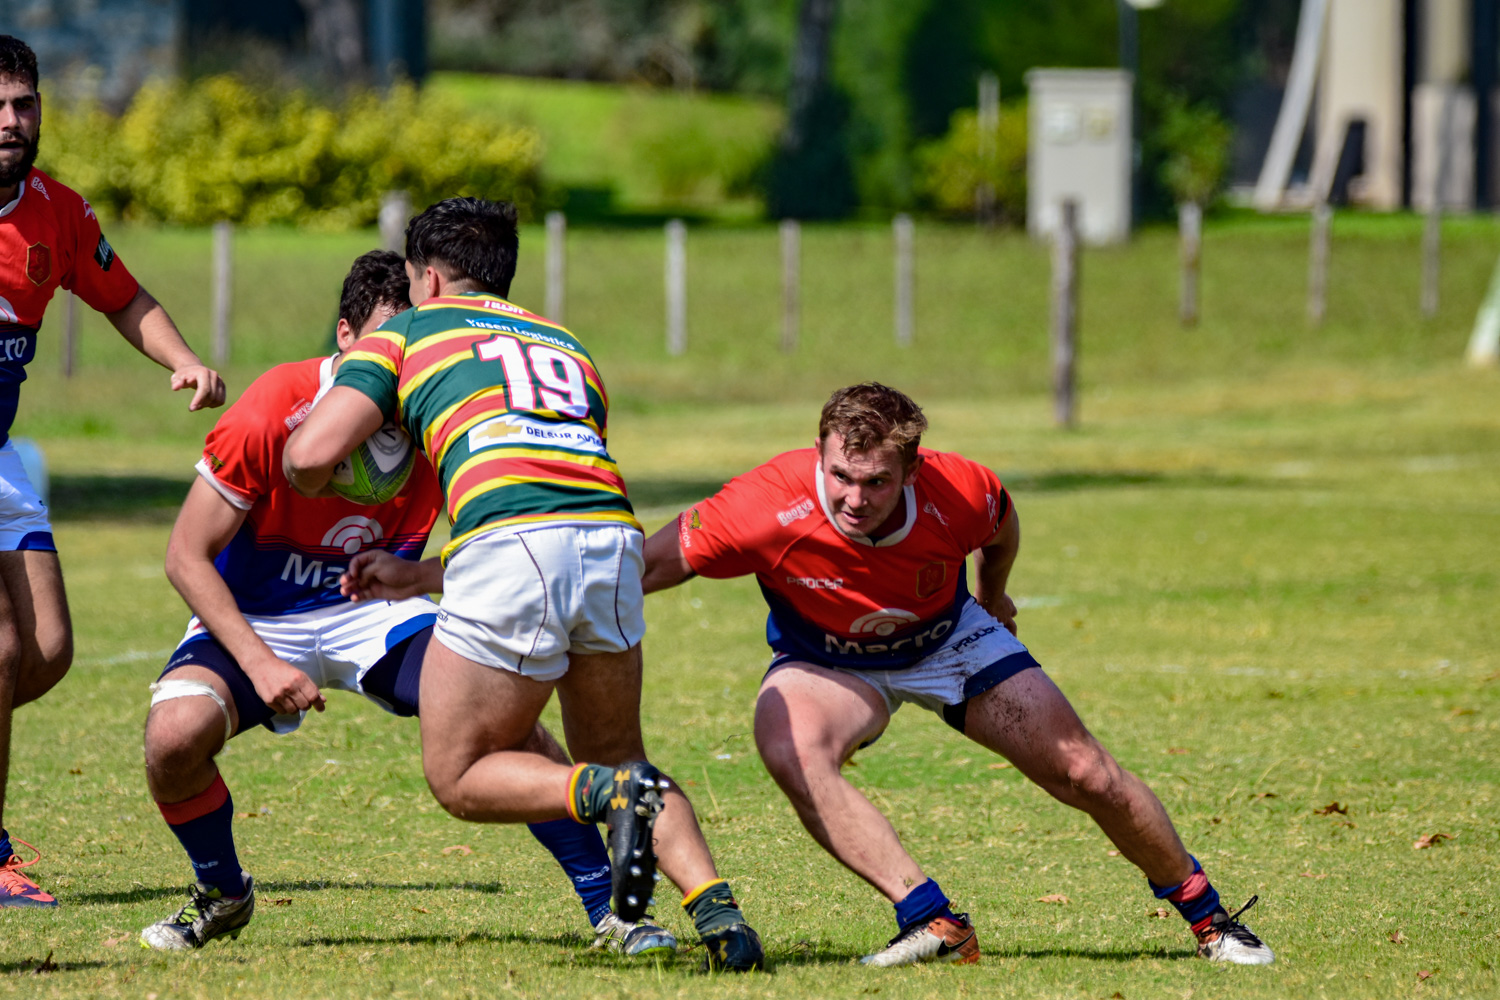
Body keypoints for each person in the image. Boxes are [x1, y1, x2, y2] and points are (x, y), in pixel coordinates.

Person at [139, 250, 674, 957]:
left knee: (501, 728)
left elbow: (499, 538)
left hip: (378, 610)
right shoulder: (275, 406)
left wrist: (415, 574)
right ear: (345, 337)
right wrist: (263, 664)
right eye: (385, 340)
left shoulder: (441, 399)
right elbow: (185, 554)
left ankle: (612, 911)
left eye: (411, 339)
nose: (399, 357)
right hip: (258, 613)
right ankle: (223, 891)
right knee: (172, 741)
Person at [636, 382, 1275, 968]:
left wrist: (995, 596)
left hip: (949, 639)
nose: (854, 499)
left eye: (877, 482)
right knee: (789, 748)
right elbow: (645, 566)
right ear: (819, 455)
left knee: (1086, 772)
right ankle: (933, 921)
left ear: (913, 470)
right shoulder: (761, 504)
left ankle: (1211, 921)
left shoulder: (960, 490)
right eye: (840, 476)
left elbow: (1001, 526)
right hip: (827, 659)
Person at [284, 197, 764, 972]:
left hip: (513, 544)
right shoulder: (569, 346)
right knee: (623, 753)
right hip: (613, 542)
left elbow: (310, 455)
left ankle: (602, 799)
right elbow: (557, 494)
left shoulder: (405, 332)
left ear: (428, 278)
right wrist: (424, 574)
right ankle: (722, 917)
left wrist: (339, 468)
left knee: (462, 772)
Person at [0, 35, 225, 908]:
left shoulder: (57, 212)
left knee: (47, 653)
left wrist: (185, 358)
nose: (12, 122)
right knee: (4, 647)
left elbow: (123, 296)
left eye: (23, 105)